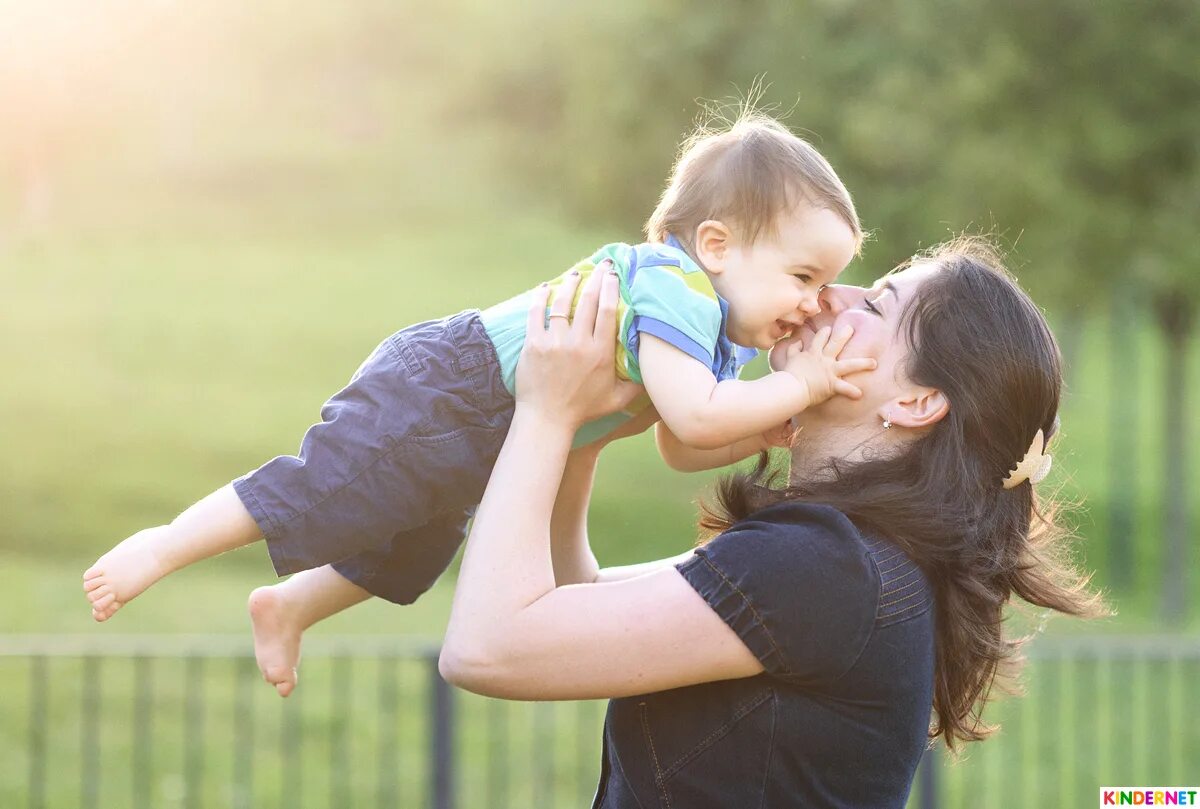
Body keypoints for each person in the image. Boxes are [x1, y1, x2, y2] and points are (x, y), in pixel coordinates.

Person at [82, 111, 874, 698]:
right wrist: (798, 387)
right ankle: (165, 542)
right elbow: (697, 418)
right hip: (447, 385)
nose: (811, 302)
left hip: (490, 427)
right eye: (802, 277)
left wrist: (762, 422)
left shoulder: (719, 336)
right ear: (715, 245)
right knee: (328, 486)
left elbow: (679, 444)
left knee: (413, 547)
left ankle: (289, 604)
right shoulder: (678, 288)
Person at [438, 239, 1107, 808]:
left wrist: (544, 412)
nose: (825, 296)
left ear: (916, 401)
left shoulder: (829, 568)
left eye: (873, 304)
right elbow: (574, 598)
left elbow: (489, 645)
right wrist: (582, 433)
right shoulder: (848, 560)